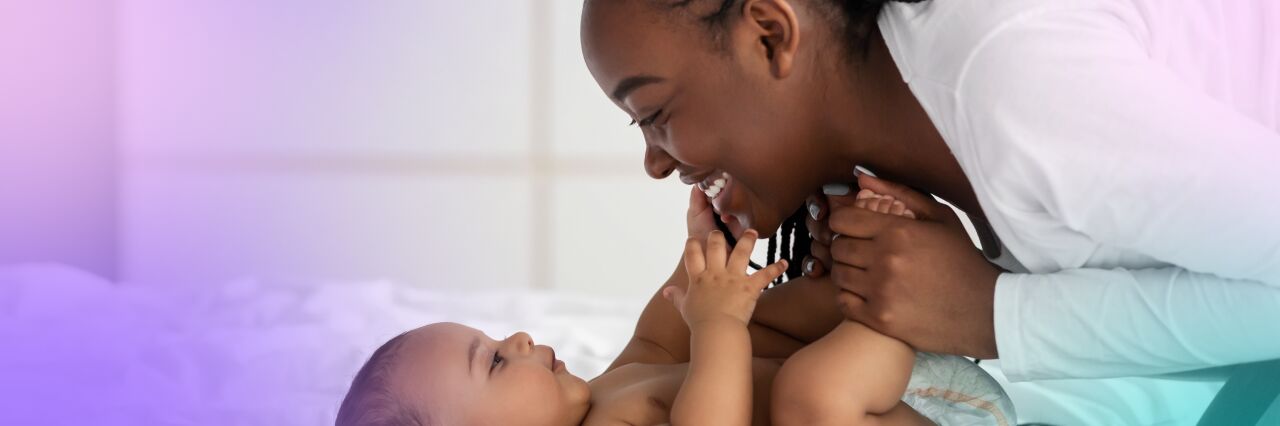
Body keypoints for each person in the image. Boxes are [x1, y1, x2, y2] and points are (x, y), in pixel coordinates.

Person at [580, 0, 1280, 423]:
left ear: (769, 33)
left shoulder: (1022, 89)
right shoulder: (942, 116)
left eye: (655, 113)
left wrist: (995, 312)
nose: (656, 162)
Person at [334, 191, 1010, 425]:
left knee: (754, 315)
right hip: (910, 414)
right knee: (794, 381)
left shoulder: (602, 392)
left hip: (901, 391)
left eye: (494, 339)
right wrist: (716, 328)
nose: (516, 337)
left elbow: (660, 341)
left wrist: (701, 252)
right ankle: (889, 293)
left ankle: (854, 277)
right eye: (494, 363)